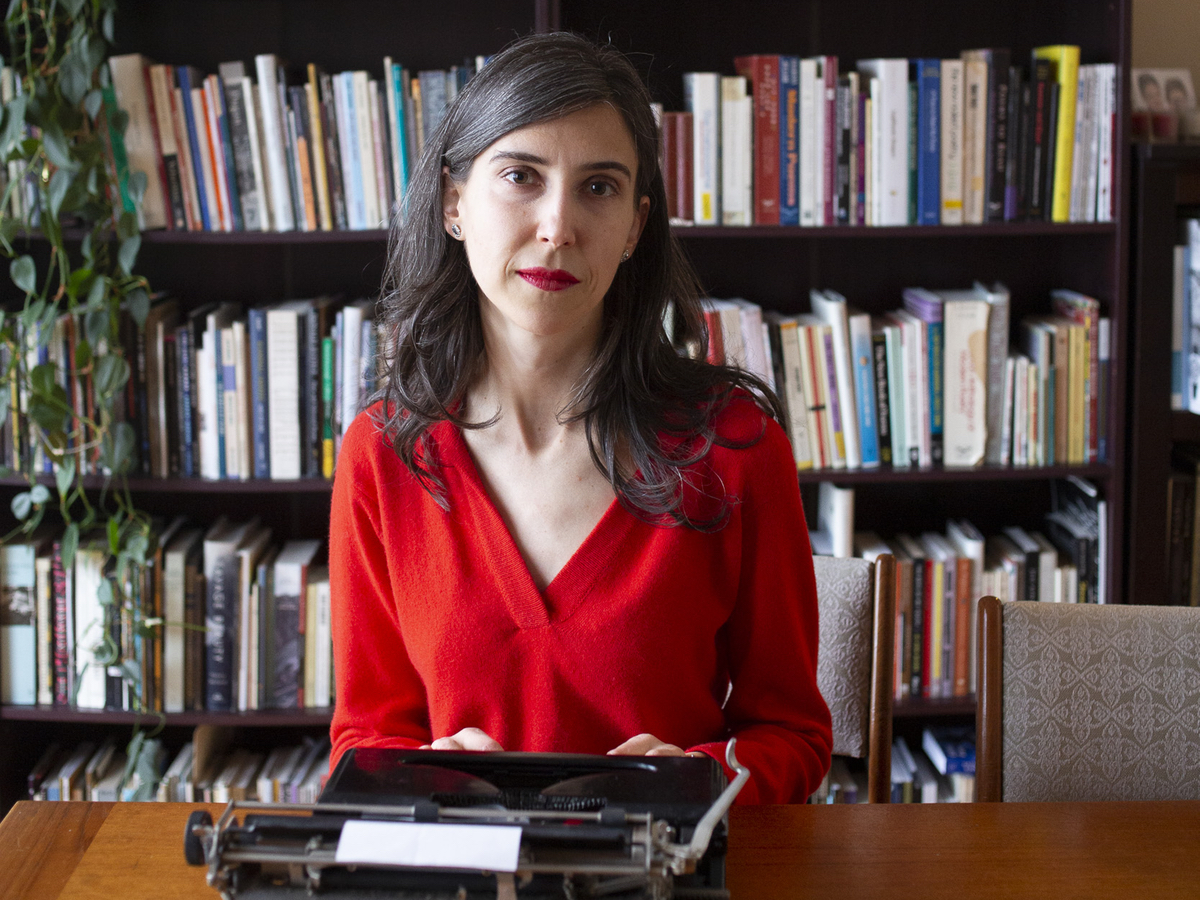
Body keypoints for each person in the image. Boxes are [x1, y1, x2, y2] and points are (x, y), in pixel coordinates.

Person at [328, 31, 832, 805]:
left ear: (634, 226)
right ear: (455, 203)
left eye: (598, 187)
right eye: (521, 177)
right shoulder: (381, 454)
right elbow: (366, 737)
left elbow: (794, 737)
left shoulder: (734, 448)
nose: (558, 226)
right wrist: (415, 772)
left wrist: (704, 780)